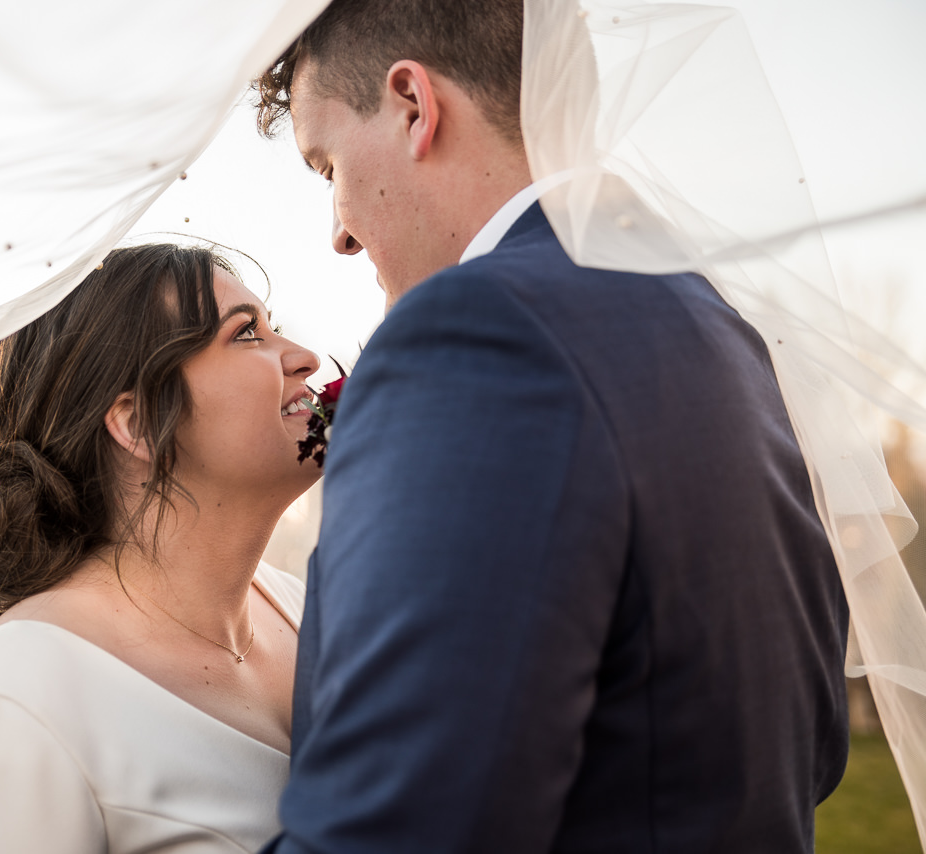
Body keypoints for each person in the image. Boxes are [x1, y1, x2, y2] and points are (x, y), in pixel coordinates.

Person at [254, 1, 850, 851]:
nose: (341, 231)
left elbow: (403, 824)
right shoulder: (710, 320)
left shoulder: (475, 335)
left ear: (413, 105)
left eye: (327, 165)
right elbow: (813, 739)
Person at [0, 242, 322, 852]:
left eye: (276, 329)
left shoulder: (307, 607)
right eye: (246, 334)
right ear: (136, 423)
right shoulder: (13, 708)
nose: (306, 358)